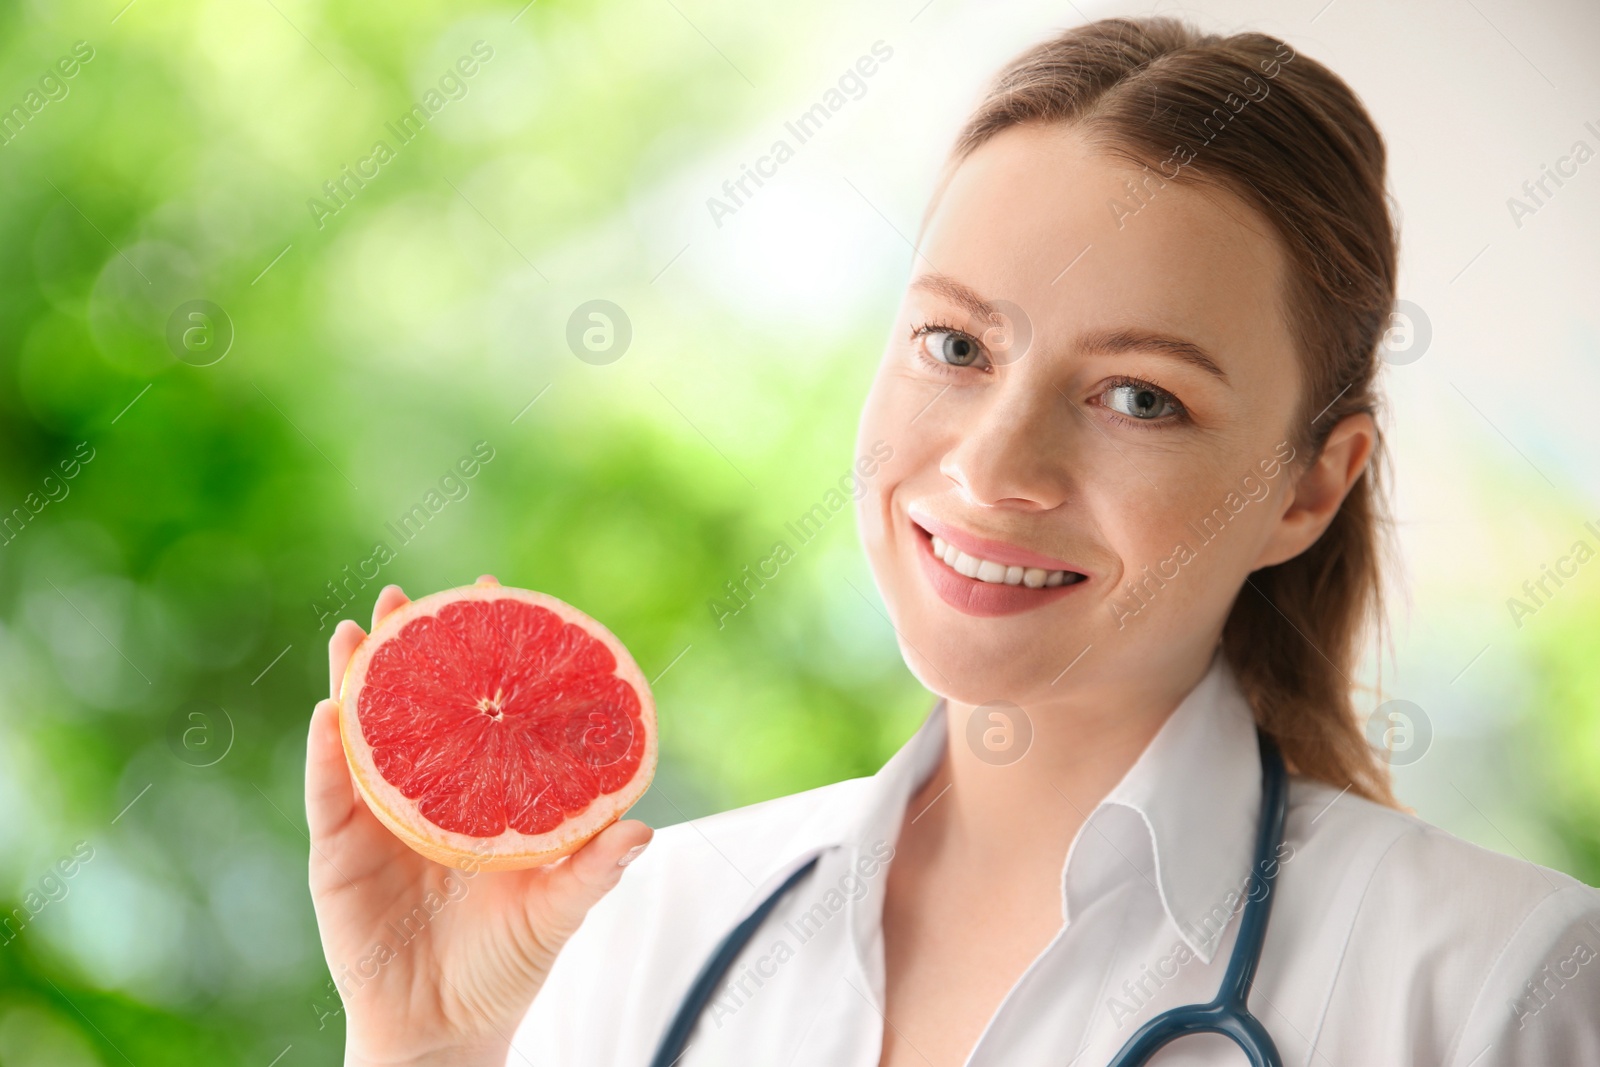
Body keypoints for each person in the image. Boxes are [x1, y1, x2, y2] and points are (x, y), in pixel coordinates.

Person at [305, 16, 1600, 1066]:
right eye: (956, 345)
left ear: (1310, 490)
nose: (991, 467)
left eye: (1140, 396)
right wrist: (428, 1050)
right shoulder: (652, 926)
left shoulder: (1497, 987)